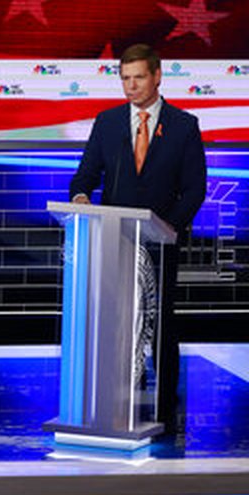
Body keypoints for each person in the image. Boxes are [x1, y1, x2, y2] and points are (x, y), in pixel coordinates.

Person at [69, 43, 207, 437]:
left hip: (161, 242)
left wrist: (166, 228)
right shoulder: (108, 122)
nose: (131, 86)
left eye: (139, 77)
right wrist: (80, 198)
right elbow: (84, 177)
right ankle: (118, 395)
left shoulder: (184, 126)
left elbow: (195, 190)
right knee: (117, 322)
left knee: (161, 323)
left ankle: (165, 408)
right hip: (115, 239)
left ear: (157, 75)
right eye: (125, 78)